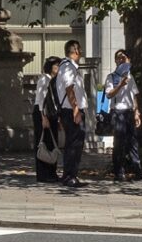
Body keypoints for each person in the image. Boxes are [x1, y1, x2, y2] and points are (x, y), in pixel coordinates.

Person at [56, 40, 89, 190]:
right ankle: (70, 176)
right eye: (79, 50)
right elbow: (70, 89)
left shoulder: (66, 67)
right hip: (71, 111)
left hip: (69, 110)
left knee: (74, 143)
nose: (81, 53)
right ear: (75, 50)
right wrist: (76, 109)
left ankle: (70, 174)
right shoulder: (68, 67)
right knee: (74, 144)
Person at [107, 50, 142, 182]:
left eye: (124, 57)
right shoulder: (111, 77)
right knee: (119, 144)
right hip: (117, 112)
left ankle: (138, 170)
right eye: (118, 58)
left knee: (133, 142)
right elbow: (109, 94)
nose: (121, 60)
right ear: (115, 60)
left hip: (129, 112)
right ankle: (119, 172)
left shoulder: (130, 76)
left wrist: (136, 112)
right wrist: (120, 85)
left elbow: (134, 95)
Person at [33, 57, 61, 182]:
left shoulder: (55, 81)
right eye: (56, 66)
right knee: (43, 142)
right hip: (43, 113)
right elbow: (40, 99)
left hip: (52, 114)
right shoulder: (44, 79)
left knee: (52, 143)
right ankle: (43, 174)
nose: (58, 69)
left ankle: (52, 172)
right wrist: (43, 117)